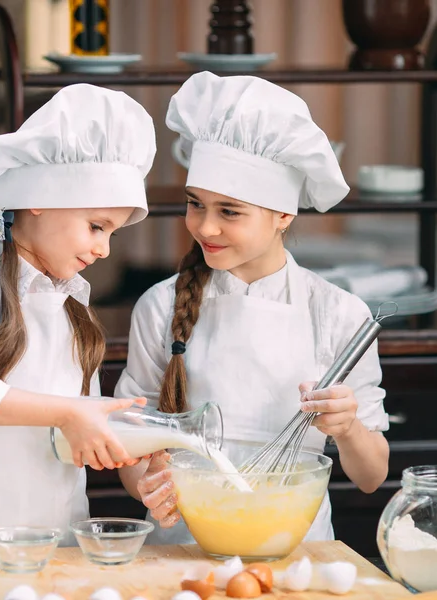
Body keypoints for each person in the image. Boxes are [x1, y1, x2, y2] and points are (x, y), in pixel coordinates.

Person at [115, 71, 390, 544]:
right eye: (195, 204)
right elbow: (131, 438)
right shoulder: (160, 306)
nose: (205, 227)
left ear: (284, 214)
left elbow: (371, 476)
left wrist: (347, 429)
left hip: (296, 551)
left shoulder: (340, 315)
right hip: (180, 552)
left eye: (229, 211)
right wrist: (147, 483)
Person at [0, 84, 156, 551]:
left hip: (57, 546)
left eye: (111, 232)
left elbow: (80, 424)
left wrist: (133, 446)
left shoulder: (74, 304)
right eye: (97, 226)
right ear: (40, 197)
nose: (104, 248)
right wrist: (69, 412)